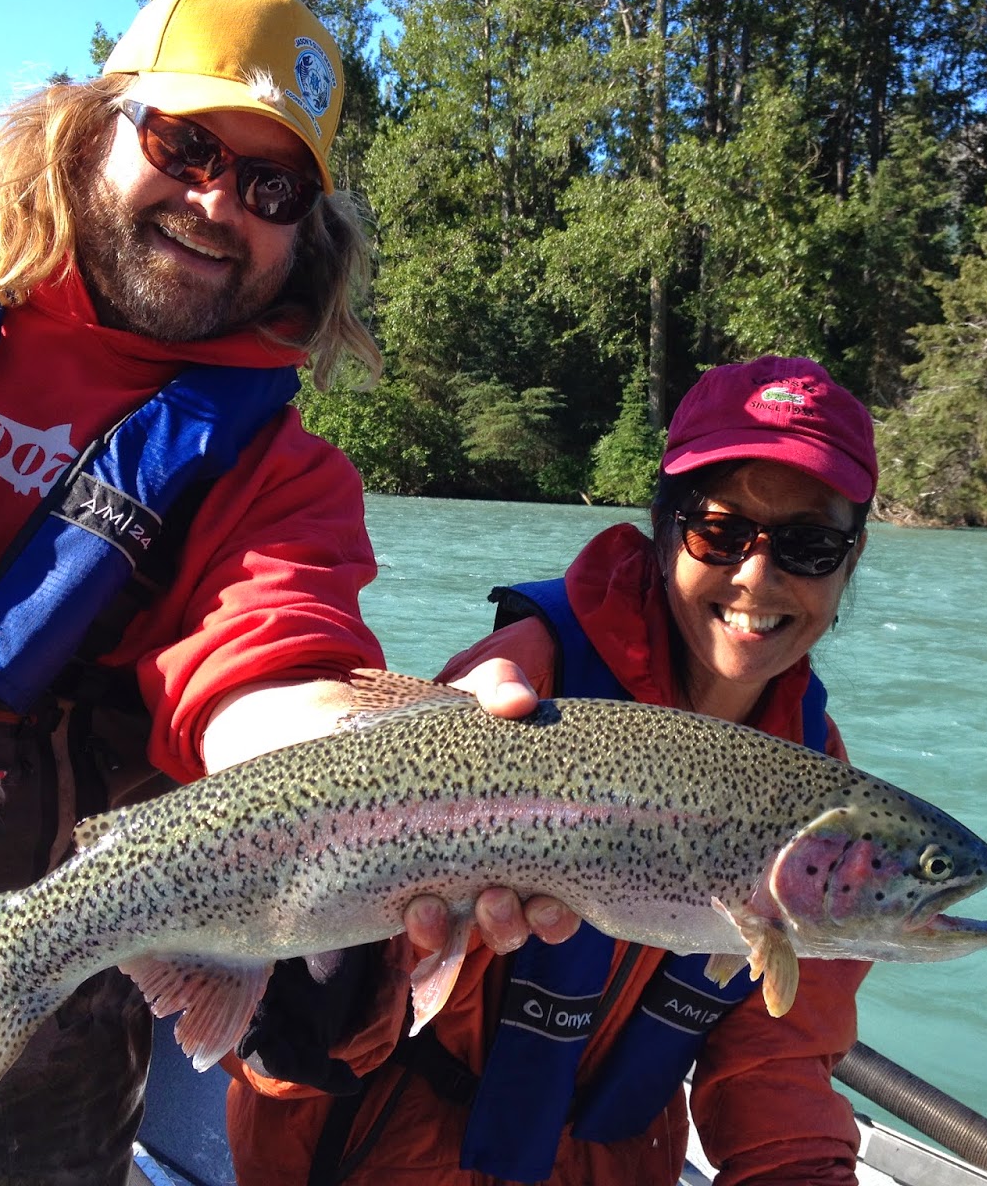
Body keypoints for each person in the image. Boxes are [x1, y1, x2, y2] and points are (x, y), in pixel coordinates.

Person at [0, 0, 558, 1182]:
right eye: (188, 146)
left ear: (307, 226)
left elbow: (269, 687)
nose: (221, 203)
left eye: (272, 188)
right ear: (90, 121)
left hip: (30, 1039)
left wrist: (422, 764)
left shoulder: (280, 478)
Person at [225, 354, 880, 1184]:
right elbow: (368, 998)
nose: (756, 574)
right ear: (665, 526)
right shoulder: (523, 682)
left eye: (809, 545)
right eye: (719, 530)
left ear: (849, 562)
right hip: (389, 1144)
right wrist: (353, 971)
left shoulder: (823, 796)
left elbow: (776, 1061)